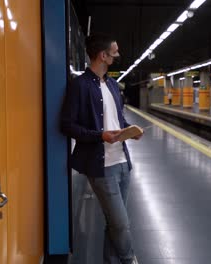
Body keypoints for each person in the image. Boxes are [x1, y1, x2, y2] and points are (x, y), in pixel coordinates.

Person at [61, 33, 141, 264]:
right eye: (114, 52)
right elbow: (67, 125)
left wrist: (130, 131)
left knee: (113, 222)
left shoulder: (114, 86)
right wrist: (100, 136)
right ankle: (129, 259)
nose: (117, 56)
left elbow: (118, 121)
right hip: (101, 166)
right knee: (121, 223)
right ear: (102, 55)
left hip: (123, 162)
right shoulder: (79, 86)